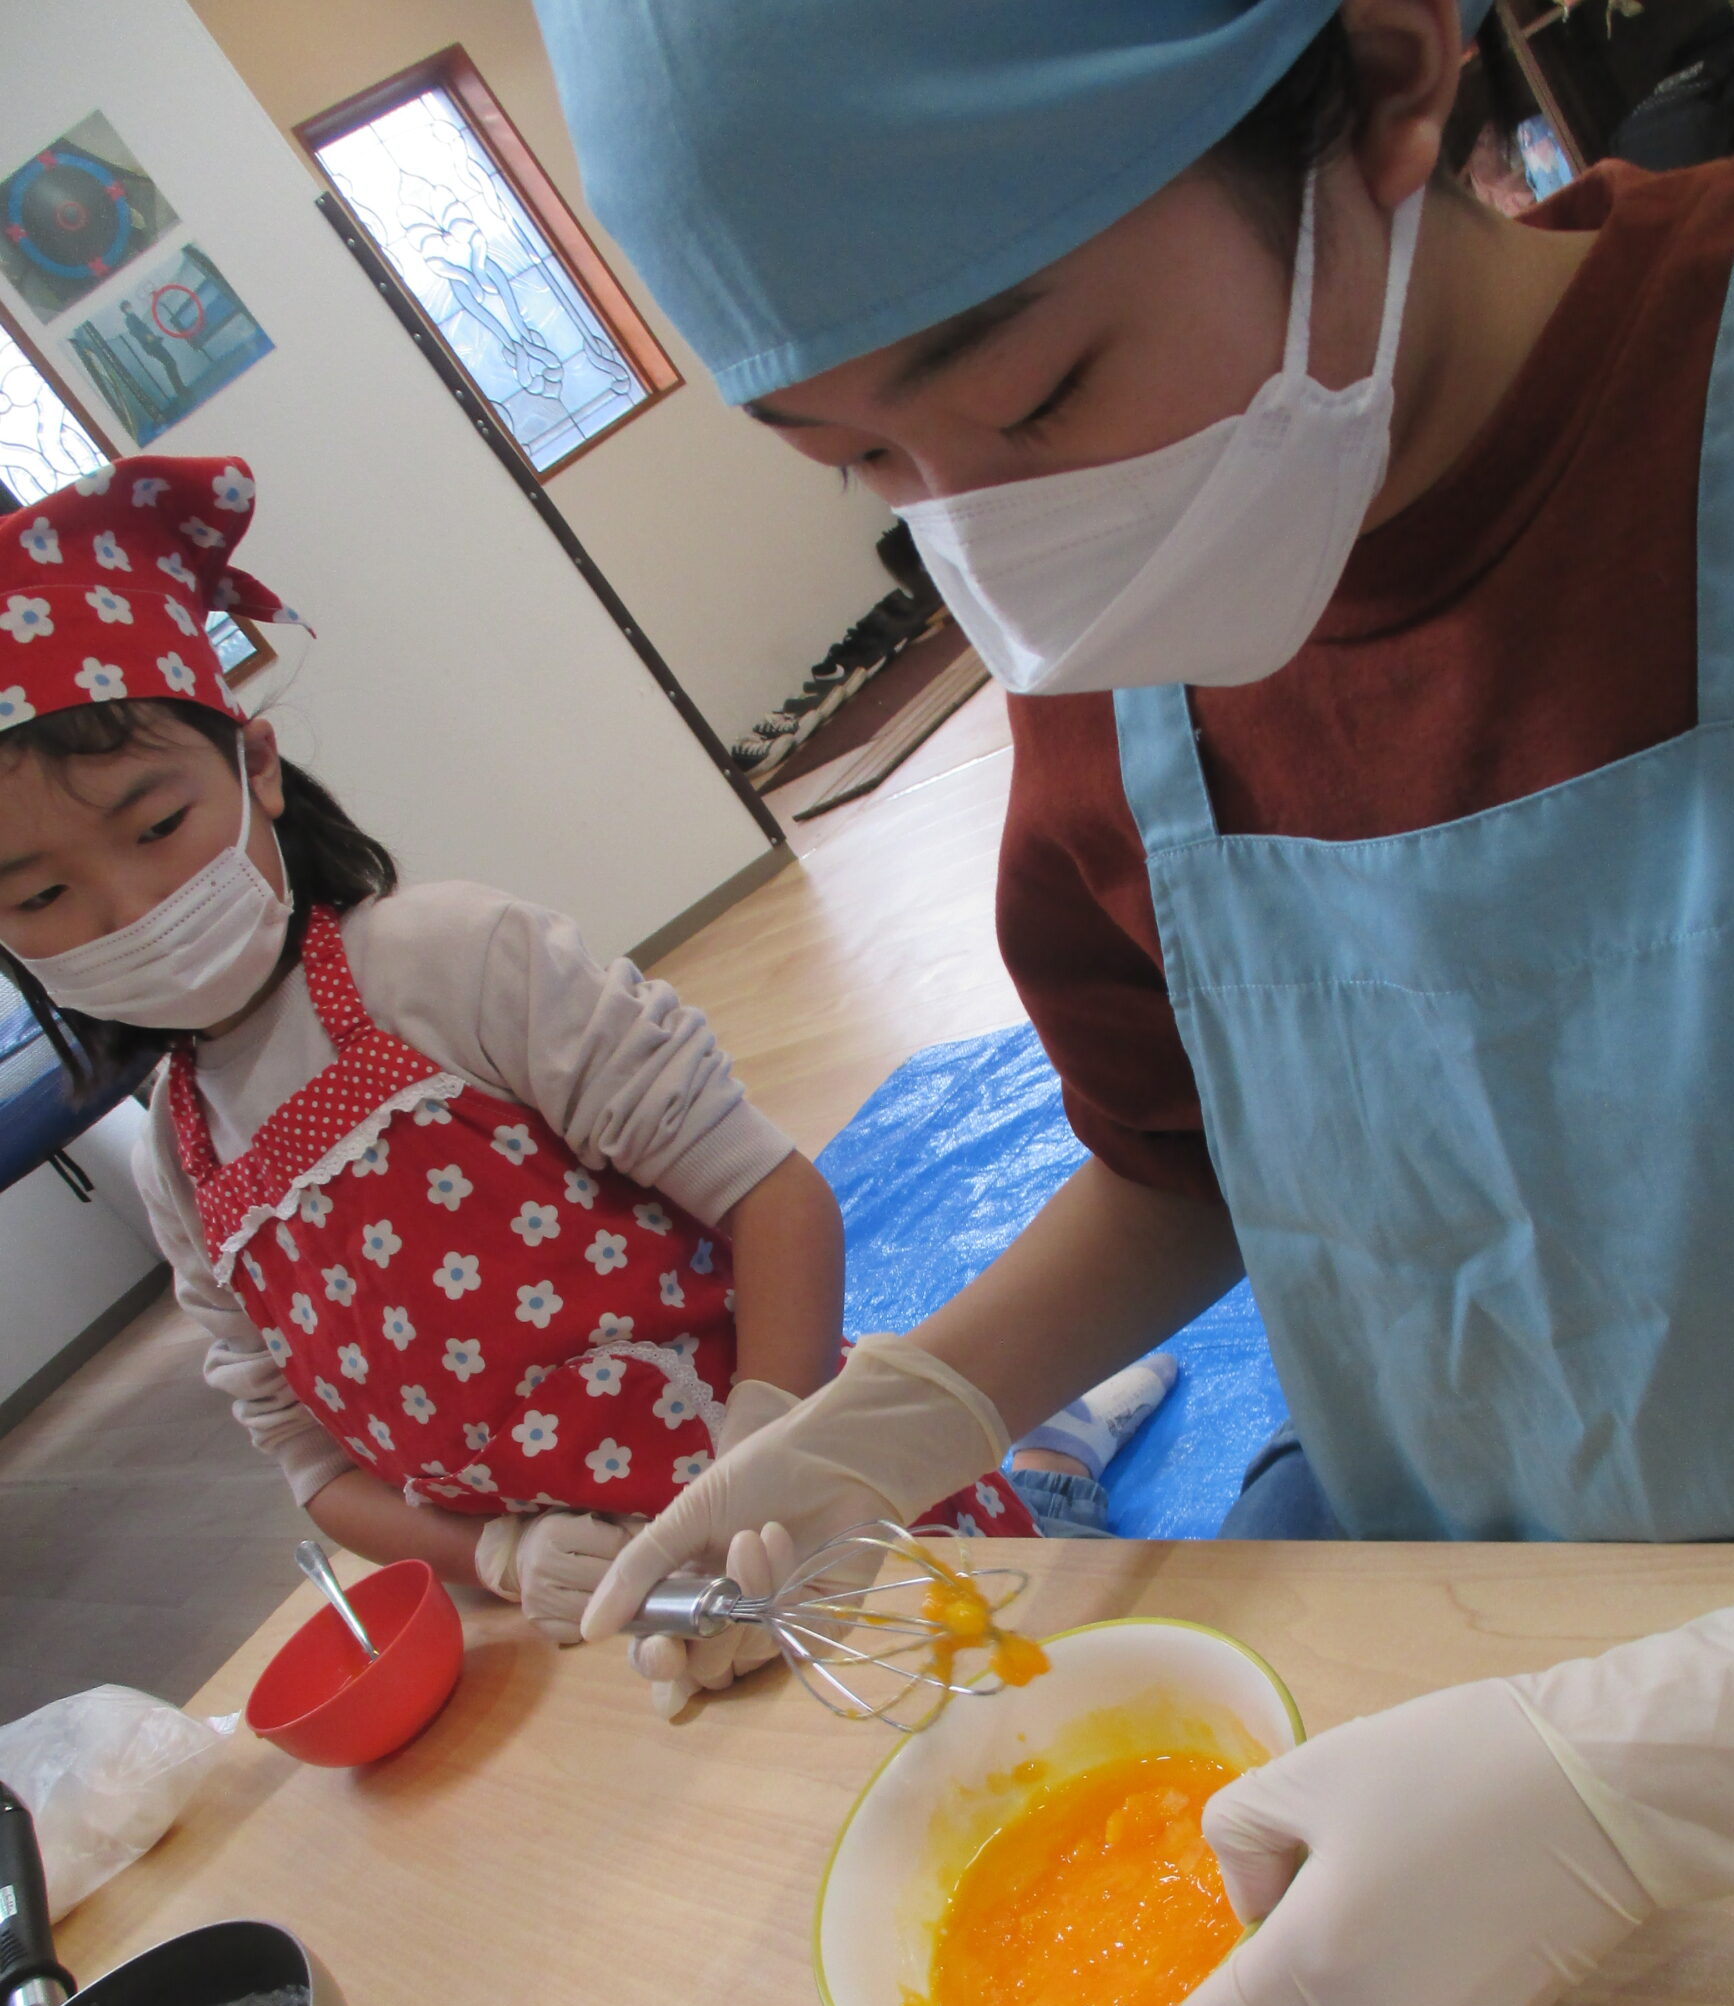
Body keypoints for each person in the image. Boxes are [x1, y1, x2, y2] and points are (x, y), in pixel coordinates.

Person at [530, 0, 1734, 2006]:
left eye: (1034, 393)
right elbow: (1195, 1151)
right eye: (862, 467)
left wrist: (1712, 1757)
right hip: (1435, 1602)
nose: (996, 543)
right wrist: (905, 1408)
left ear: (1389, 74)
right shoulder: (1133, 623)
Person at [0, 456, 1164, 1677]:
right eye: (38, 895)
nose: (129, 906)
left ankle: (1056, 1453)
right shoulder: (179, 1163)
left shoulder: (450, 964)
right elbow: (314, 1466)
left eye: (157, 827)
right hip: (605, 1621)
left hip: (800, 1503)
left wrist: (767, 1452)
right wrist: (500, 1553)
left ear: (258, 768)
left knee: (1010, 1647)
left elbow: (771, 1196)